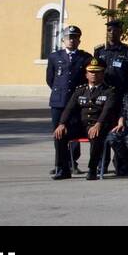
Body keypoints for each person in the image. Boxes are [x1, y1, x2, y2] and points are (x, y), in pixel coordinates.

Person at [51, 59, 118, 180]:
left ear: (103, 74)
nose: (94, 74)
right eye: (91, 72)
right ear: (86, 74)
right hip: (82, 126)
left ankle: (92, 170)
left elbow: (107, 110)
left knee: (96, 136)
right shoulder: (80, 90)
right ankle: (64, 169)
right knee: (59, 135)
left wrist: (98, 124)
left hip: (98, 125)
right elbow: (69, 108)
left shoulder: (109, 91)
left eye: (97, 72)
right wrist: (62, 124)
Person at [46, 24, 92, 175]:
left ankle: (73, 162)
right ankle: (60, 163)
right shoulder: (55, 57)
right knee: (58, 133)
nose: (71, 40)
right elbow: (50, 79)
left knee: (74, 134)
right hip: (58, 101)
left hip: (76, 102)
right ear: (63, 40)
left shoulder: (85, 57)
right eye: (69, 38)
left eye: (75, 38)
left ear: (79, 40)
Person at [93, 19, 128, 98]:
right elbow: (95, 70)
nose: (111, 33)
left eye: (115, 30)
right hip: (103, 91)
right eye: (109, 30)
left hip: (121, 91)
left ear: (120, 32)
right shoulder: (99, 50)